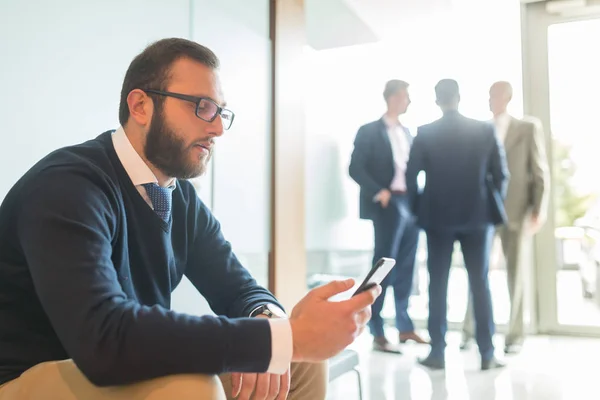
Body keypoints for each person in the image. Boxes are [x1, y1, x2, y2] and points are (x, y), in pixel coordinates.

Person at [0, 38, 380, 400]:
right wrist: (282, 339)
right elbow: (104, 338)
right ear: (140, 106)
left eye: (220, 112)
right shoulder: (69, 186)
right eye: (201, 106)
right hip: (25, 377)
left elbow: (238, 288)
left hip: (111, 367)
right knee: (189, 387)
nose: (216, 127)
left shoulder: (177, 197)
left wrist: (272, 324)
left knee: (297, 365)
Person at [405, 79, 508, 370]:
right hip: (478, 218)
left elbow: (411, 178)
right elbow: (501, 175)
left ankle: (437, 352)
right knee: (481, 283)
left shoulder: (425, 133)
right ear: (459, 98)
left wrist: (417, 212)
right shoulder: (484, 129)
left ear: (437, 100)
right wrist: (491, 204)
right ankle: (487, 354)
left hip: (437, 218)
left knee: (438, 284)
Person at [461, 81, 549, 354]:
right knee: (478, 273)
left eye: (496, 95)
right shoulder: (480, 130)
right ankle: (469, 331)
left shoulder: (527, 127)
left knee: (516, 275)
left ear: (508, 98)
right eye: (489, 95)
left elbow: (539, 170)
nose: (491, 99)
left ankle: (515, 336)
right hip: (484, 213)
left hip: (517, 211)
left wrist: (538, 209)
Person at [349, 80, 426, 354]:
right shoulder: (369, 131)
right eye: (405, 96)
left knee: (407, 267)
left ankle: (405, 328)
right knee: (384, 267)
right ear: (392, 98)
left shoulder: (408, 133)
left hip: (411, 204)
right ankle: (377, 330)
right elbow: (355, 167)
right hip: (387, 203)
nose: (408, 101)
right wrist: (378, 191)